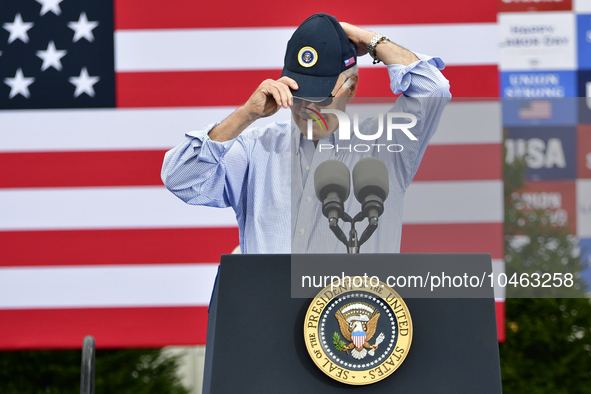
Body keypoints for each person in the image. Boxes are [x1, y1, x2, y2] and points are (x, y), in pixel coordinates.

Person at [161, 13, 451, 254]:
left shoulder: (385, 146)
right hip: (267, 319)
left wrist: (368, 40)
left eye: (322, 97)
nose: (307, 108)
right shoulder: (256, 149)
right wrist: (245, 114)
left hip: (353, 320)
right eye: (297, 95)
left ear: (351, 88)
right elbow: (180, 177)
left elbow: (432, 89)